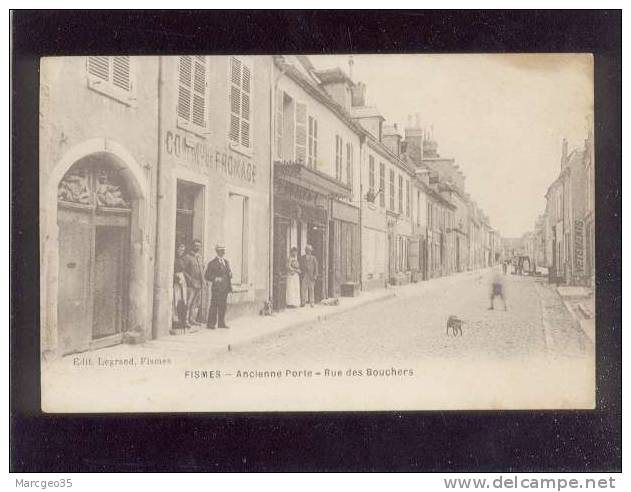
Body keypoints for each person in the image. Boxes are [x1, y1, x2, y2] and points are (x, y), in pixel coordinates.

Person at [205, 244, 232, 329]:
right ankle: (211, 324)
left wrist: (230, 274)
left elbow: (228, 273)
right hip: (217, 288)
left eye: (224, 250)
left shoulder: (226, 262)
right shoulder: (212, 263)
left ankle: (221, 323)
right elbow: (207, 275)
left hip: (225, 288)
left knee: (223, 306)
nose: (223, 252)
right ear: (217, 252)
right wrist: (215, 278)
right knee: (214, 305)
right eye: (221, 251)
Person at [182, 239, 205, 326]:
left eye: (199, 246)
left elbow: (201, 270)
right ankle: (185, 320)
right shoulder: (187, 257)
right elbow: (183, 270)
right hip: (191, 284)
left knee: (196, 303)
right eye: (195, 246)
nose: (197, 247)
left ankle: (192, 319)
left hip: (199, 284)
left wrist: (203, 281)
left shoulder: (199, 258)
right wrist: (190, 279)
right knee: (188, 302)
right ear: (192, 246)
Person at [172, 243, 188, 331]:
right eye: (180, 249)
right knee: (176, 299)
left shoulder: (182, 260)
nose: (181, 251)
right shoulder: (174, 259)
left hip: (182, 280)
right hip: (177, 281)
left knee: (183, 300)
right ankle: (175, 320)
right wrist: (176, 278)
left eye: (183, 250)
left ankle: (182, 320)